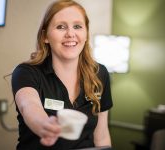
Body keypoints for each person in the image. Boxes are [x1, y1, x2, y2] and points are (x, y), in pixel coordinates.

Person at [11, 0, 113, 149]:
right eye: (61, 27)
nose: (70, 34)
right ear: (45, 36)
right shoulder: (26, 72)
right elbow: (29, 106)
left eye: (77, 26)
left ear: (86, 34)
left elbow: (101, 134)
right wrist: (45, 125)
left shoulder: (100, 73)